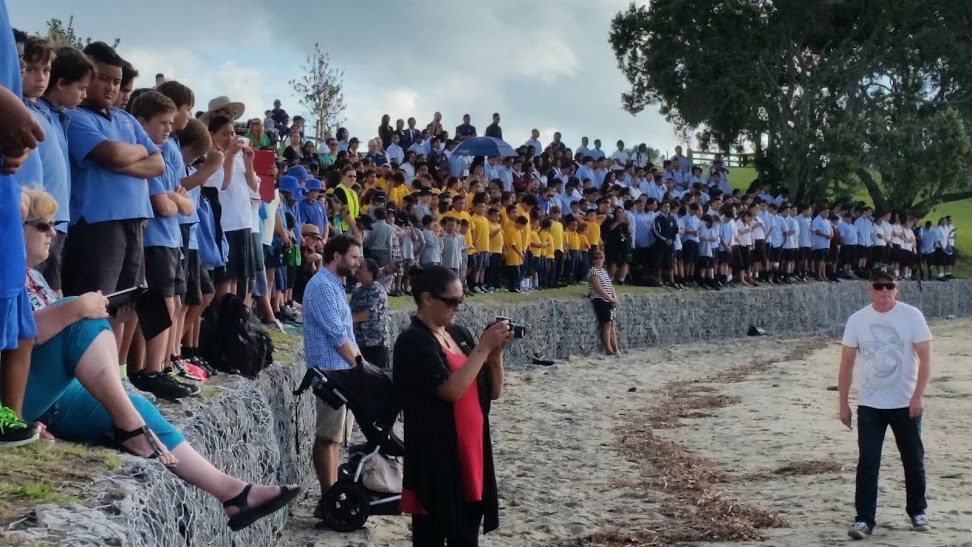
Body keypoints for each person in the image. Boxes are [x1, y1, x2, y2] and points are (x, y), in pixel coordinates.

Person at [12, 188, 299, 529]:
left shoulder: (36, 276)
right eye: (42, 225)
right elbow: (16, 338)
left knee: (136, 406)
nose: (53, 232)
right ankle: (129, 428)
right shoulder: (6, 276)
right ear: (12, 228)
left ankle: (234, 494)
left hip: (49, 392)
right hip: (14, 398)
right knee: (81, 321)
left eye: (53, 224)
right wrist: (73, 309)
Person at [394, 265, 513, 547]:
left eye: (461, 300)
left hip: (471, 451)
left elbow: (493, 392)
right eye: (451, 301)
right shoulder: (413, 340)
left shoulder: (458, 333)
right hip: (437, 456)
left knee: (466, 536)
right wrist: (482, 349)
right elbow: (449, 391)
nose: (458, 307)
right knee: (432, 534)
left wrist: (494, 355)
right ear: (427, 298)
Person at [838, 265, 933, 540]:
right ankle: (864, 519)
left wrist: (918, 395)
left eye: (889, 286)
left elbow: (926, 358)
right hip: (870, 405)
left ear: (897, 288)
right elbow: (846, 363)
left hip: (905, 403)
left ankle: (917, 511)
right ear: (869, 288)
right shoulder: (857, 320)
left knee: (913, 459)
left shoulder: (912, 316)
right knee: (868, 462)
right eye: (878, 286)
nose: (884, 291)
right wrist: (843, 403)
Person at [302, 235, 364, 517]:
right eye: (354, 257)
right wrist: (361, 367)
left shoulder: (335, 286)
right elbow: (337, 336)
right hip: (330, 372)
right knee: (328, 436)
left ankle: (332, 495)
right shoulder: (323, 287)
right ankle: (328, 500)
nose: (357, 262)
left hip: (342, 372)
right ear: (336, 256)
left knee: (335, 438)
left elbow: (346, 333)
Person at [350, 258, 390, 368]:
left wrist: (347, 320)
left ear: (370, 272)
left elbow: (370, 314)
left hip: (375, 345)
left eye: (361, 268)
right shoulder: (357, 292)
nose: (357, 270)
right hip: (359, 345)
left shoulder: (377, 290)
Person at [588, 249, 619, 355]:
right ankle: (608, 348)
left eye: (601, 258)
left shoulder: (604, 271)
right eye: (597, 258)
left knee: (612, 324)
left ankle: (616, 348)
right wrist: (610, 298)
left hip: (608, 300)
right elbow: (599, 289)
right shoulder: (593, 271)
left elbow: (610, 286)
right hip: (599, 299)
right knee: (606, 324)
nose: (599, 260)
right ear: (593, 260)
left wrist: (614, 297)